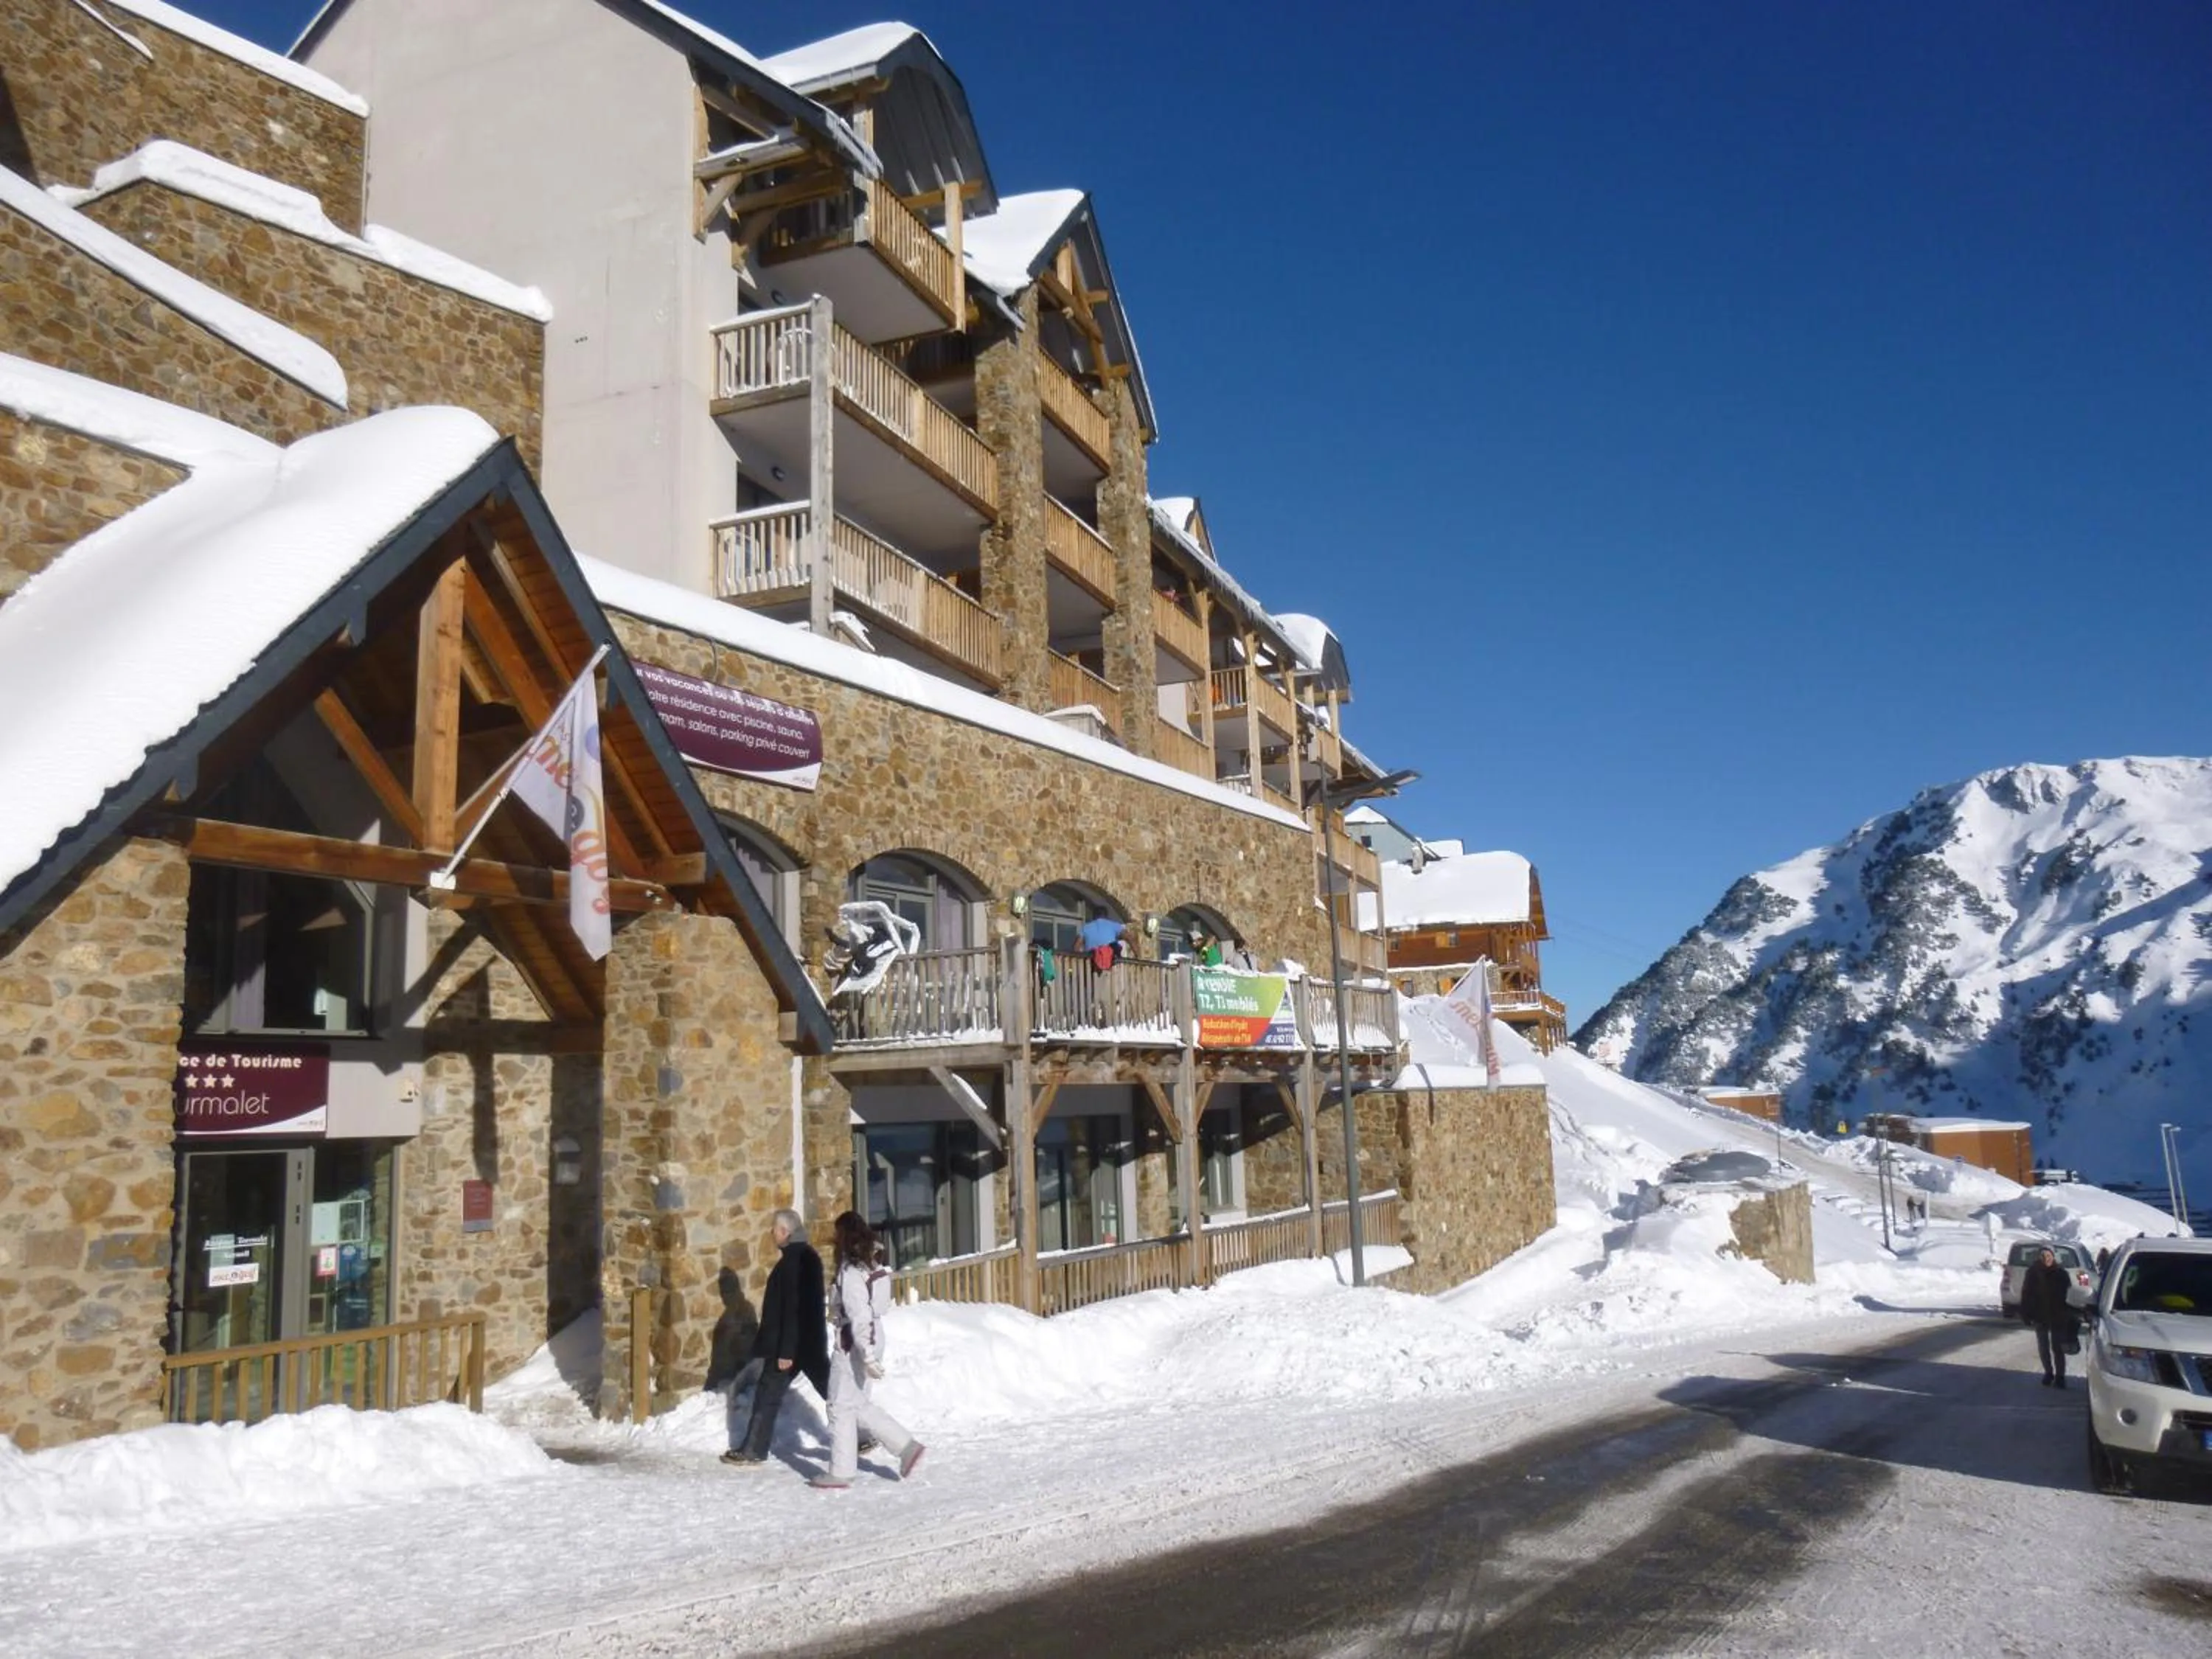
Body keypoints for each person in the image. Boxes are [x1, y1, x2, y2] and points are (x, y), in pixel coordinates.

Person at [811, 1211, 926, 1491]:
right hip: (871, 1336)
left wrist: (867, 1354)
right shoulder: (874, 1265)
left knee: (839, 1404)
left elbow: (859, 1314)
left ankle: (844, 1470)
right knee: (855, 1404)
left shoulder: (851, 1272)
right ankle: (904, 1447)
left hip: (854, 1341)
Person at [723, 1209, 828, 1466]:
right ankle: (862, 1435)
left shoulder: (793, 1261)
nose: (771, 1233)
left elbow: (793, 1308)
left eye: (774, 1229)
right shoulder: (809, 1256)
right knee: (834, 1392)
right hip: (810, 1344)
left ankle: (752, 1450)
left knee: (767, 1395)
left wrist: (786, 1352)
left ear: (785, 1232)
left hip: (790, 1346)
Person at [2020, 1244, 2079, 1389]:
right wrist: (2025, 1313)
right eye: (2043, 1256)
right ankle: (2048, 1373)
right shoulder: (2033, 1272)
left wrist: (2072, 1313)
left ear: (2053, 1256)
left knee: (2057, 1347)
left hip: (2058, 1315)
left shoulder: (2061, 1272)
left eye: (2048, 1256)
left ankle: (2060, 1376)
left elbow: (2069, 1295)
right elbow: (2026, 1293)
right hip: (2039, 1314)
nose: (2046, 1259)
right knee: (2043, 1347)